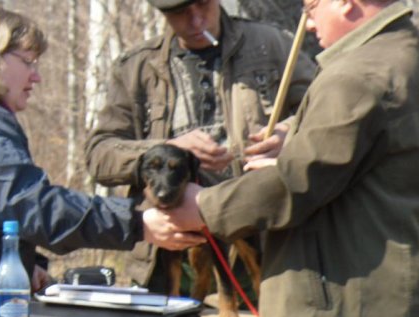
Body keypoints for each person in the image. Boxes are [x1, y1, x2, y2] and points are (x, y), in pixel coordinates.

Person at [142, 0, 419, 317]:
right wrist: (294, 134)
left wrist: (205, 206)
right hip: (385, 308)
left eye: (312, 5)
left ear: (346, 3)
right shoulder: (405, 54)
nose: (307, 22)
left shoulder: (361, 74)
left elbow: (299, 181)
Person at [0, 7, 202, 290]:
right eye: (28, 62)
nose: (36, 76)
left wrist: (21, 263)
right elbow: (31, 206)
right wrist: (137, 222)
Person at [85, 0, 316, 298]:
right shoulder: (138, 66)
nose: (195, 22)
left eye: (203, 6)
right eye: (180, 13)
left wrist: (289, 133)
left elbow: (328, 106)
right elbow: (99, 154)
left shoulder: (271, 45)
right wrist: (165, 149)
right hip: (170, 253)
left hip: (264, 247)